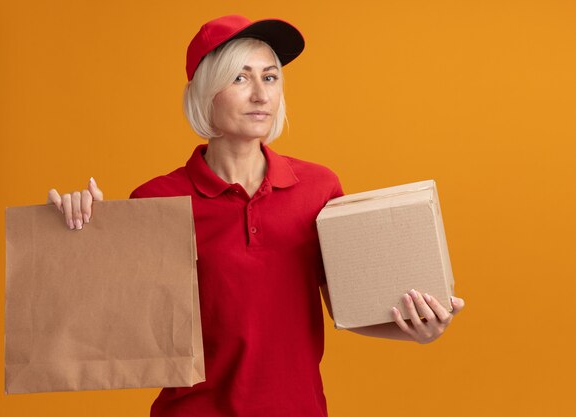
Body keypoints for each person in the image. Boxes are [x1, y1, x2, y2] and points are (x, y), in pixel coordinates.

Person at [47, 15, 465, 417]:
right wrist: (81, 231)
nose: (261, 95)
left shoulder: (319, 188)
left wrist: (421, 328)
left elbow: (349, 308)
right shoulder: (158, 199)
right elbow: (120, 329)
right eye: (239, 78)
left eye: (270, 77)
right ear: (205, 91)